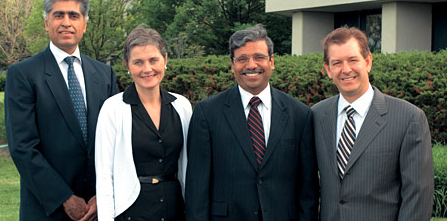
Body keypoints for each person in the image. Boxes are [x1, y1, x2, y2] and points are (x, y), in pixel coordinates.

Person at [4, 0, 119, 221]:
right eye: (59, 15)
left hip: (99, 209)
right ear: (46, 23)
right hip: (48, 209)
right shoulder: (23, 75)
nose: (66, 22)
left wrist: (103, 195)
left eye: (73, 15)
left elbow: (116, 140)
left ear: (85, 25)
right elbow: (22, 147)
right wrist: (64, 198)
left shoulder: (105, 74)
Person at [185, 24, 319, 221]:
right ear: (232, 65)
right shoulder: (207, 113)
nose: (251, 65)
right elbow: (197, 188)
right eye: (242, 59)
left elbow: (308, 189)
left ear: (271, 61)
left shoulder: (300, 114)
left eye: (259, 57)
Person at [313, 26, 434, 221]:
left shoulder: (409, 118)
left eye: (353, 60)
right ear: (328, 69)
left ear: (368, 62)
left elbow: (418, 195)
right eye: (337, 63)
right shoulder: (316, 116)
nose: (346, 69)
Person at [94, 26, 192, 221]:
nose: (147, 69)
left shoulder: (182, 107)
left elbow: (189, 166)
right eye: (138, 62)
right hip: (132, 211)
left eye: (153, 60)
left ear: (165, 60)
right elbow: (104, 176)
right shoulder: (113, 109)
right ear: (127, 65)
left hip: (176, 210)